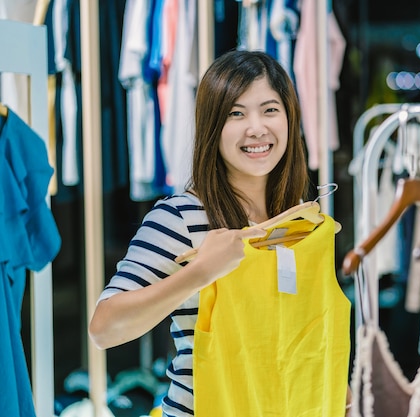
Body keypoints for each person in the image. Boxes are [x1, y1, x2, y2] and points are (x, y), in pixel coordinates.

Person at [89, 50, 352, 417]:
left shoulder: (301, 222)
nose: (256, 128)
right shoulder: (181, 217)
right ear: (212, 126)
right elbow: (104, 329)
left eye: (270, 110)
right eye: (236, 113)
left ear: (290, 119)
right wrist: (200, 272)